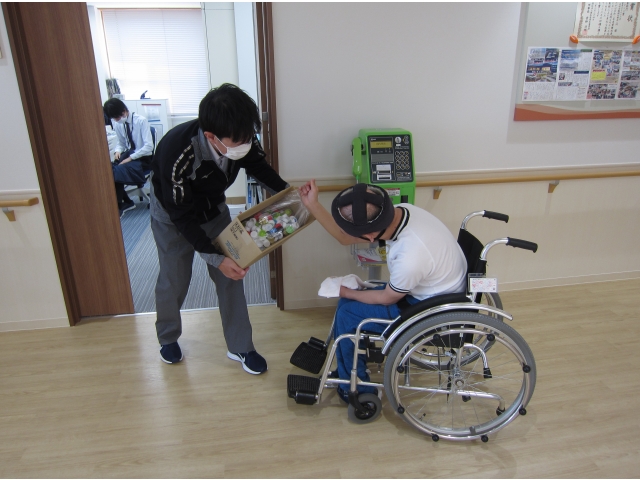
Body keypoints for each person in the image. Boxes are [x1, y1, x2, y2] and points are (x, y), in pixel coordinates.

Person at [149, 83, 289, 373]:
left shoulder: (241, 137)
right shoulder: (177, 152)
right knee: (174, 278)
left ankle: (240, 346)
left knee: (232, 275)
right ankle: (168, 337)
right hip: (173, 218)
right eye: (238, 141)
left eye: (248, 138)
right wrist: (213, 256)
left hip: (214, 210)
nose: (245, 144)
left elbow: (259, 168)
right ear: (211, 137)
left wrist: (290, 195)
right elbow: (181, 214)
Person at [298, 180, 467, 402]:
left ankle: (357, 389)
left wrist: (346, 292)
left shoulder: (411, 257)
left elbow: (387, 298)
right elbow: (344, 237)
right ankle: (347, 368)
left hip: (429, 308)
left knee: (347, 312)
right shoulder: (403, 211)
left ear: (370, 237)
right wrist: (312, 204)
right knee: (348, 304)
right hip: (435, 288)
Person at [103, 98, 154, 216]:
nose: (116, 120)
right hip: (129, 155)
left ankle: (121, 204)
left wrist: (130, 158)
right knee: (110, 169)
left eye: (117, 117)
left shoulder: (141, 121)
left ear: (124, 111)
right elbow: (121, 143)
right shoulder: (118, 124)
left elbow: (149, 147)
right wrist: (117, 151)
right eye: (114, 118)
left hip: (143, 158)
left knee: (117, 171)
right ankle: (125, 202)